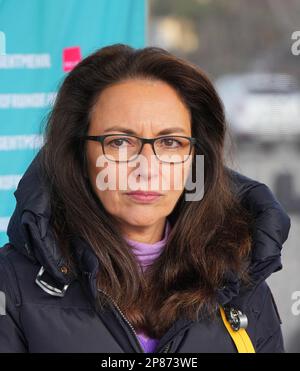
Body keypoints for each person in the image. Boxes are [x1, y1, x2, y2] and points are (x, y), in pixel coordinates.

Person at [0, 44, 290, 353]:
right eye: (120, 142)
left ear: (195, 159)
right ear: (78, 156)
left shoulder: (240, 275)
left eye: (170, 142)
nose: (147, 168)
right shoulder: (12, 285)